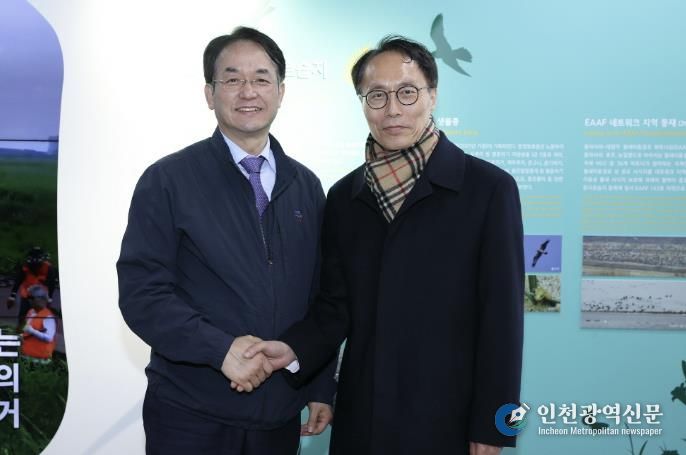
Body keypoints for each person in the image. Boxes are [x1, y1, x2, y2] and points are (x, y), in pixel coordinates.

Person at [244, 35, 525, 455]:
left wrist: (494, 425)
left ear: (432, 96)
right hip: (364, 414)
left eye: (407, 92)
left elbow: (502, 320)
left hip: (448, 416)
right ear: (362, 103)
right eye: (377, 95)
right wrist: (293, 348)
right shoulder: (345, 197)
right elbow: (334, 307)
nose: (392, 109)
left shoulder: (488, 189)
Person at [116, 26, 336, 455]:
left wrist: (320, 384)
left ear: (281, 91)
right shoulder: (168, 180)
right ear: (209, 93)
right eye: (232, 79)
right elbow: (143, 293)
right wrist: (219, 350)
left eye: (261, 79)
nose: (248, 91)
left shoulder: (306, 186)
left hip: (278, 415)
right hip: (189, 413)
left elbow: (321, 297)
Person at [5, 246, 58, 329]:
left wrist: (49, 298)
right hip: (27, 294)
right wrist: (12, 296)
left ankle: (40, 331)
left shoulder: (48, 268)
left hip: (41, 296)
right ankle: (21, 330)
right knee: (23, 315)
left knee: (41, 316)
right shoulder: (25, 267)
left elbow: (52, 283)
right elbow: (18, 281)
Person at [20, 284, 57, 363]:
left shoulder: (48, 317)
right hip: (26, 356)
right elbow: (26, 330)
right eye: (28, 298)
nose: (29, 300)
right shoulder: (30, 311)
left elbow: (48, 338)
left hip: (39, 360)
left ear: (41, 299)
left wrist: (32, 331)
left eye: (31, 298)